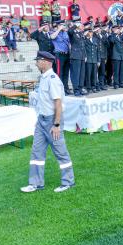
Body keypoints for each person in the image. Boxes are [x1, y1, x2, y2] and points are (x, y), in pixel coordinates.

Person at [21, 51, 75, 193]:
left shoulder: (53, 79)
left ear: (45, 62)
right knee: (36, 152)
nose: (36, 63)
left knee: (60, 152)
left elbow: (58, 104)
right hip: (42, 120)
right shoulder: (44, 78)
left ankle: (68, 182)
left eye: (38, 61)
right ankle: (35, 183)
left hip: (52, 121)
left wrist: (56, 125)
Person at [50, 22, 71, 95]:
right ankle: (59, 90)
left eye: (65, 25)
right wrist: (59, 29)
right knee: (59, 73)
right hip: (59, 55)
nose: (64, 26)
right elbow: (52, 37)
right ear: (59, 25)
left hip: (67, 54)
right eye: (63, 25)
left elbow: (69, 42)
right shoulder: (54, 32)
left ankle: (66, 88)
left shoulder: (66, 33)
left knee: (66, 73)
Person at [68, 22, 87, 97]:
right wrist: (75, 25)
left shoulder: (80, 33)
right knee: (76, 74)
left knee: (81, 74)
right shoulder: (72, 33)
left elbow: (83, 45)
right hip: (75, 56)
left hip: (82, 56)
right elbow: (69, 31)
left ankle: (80, 88)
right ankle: (76, 89)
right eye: (81, 25)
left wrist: (85, 55)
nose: (82, 26)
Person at [109, 25, 123, 89]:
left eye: (119, 29)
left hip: (122, 56)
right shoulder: (112, 36)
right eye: (117, 29)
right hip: (115, 56)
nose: (118, 30)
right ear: (113, 30)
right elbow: (112, 41)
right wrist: (115, 33)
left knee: (122, 71)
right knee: (116, 71)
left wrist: (122, 33)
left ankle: (121, 83)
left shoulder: (121, 36)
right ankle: (116, 83)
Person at [84, 27, 100, 93]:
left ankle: (94, 87)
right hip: (89, 60)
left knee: (94, 74)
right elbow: (84, 50)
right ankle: (88, 87)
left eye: (91, 32)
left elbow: (98, 51)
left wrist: (98, 60)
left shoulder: (95, 39)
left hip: (94, 60)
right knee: (88, 74)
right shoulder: (85, 40)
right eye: (89, 32)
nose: (91, 33)